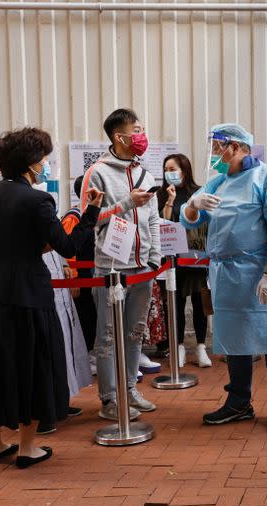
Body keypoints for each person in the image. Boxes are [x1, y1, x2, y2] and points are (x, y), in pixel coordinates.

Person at [0, 127, 103, 468]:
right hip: (27, 293)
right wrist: (87, 214)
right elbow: (68, 247)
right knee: (32, 365)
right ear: (31, 164)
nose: (46, 164)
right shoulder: (38, 200)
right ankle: (28, 447)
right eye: (43, 159)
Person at [181, 123, 267, 432]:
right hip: (226, 275)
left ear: (237, 146)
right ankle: (238, 403)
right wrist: (193, 205)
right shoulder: (217, 183)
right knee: (235, 342)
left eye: (219, 146)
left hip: (259, 273)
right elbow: (189, 221)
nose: (215, 153)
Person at [80, 108, 161, 421]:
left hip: (143, 268)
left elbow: (152, 218)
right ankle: (110, 399)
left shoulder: (146, 173)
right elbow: (91, 221)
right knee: (108, 336)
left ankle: (129, 389)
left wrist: (153, 258)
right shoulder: (97, 172)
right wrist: (127, 203)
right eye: (136, 129)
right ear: (119, 136)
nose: (142, 135)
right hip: (110, 270)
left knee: (134, 333)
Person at [159, 153, 210, 368]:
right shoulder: (161, 195)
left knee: (200, 302)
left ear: (184, 170)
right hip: (172, 258)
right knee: (174, 303)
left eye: (173, 168)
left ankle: (200, 347)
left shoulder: (198, 192)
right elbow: (163, 222)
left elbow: (206, 222)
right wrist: (170, 201)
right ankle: (178, 346)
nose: (169, 173)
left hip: (196, 257)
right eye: (166, 169)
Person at [38, 251, 91, 434]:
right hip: (39, 285)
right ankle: (43, 412)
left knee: (64, 343)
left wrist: (66, 265)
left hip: (58, 282)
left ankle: (61, 399)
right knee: (46, 349)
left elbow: (59, 242)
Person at [61, 176, 98, 374]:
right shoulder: (74, 216)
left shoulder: (91, 214)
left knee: (91, 315)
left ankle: (91, 354)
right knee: (84, 316)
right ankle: (86, 357)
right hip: (80, 277)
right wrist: (73, 279)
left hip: (92, 275)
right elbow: (66, 249)